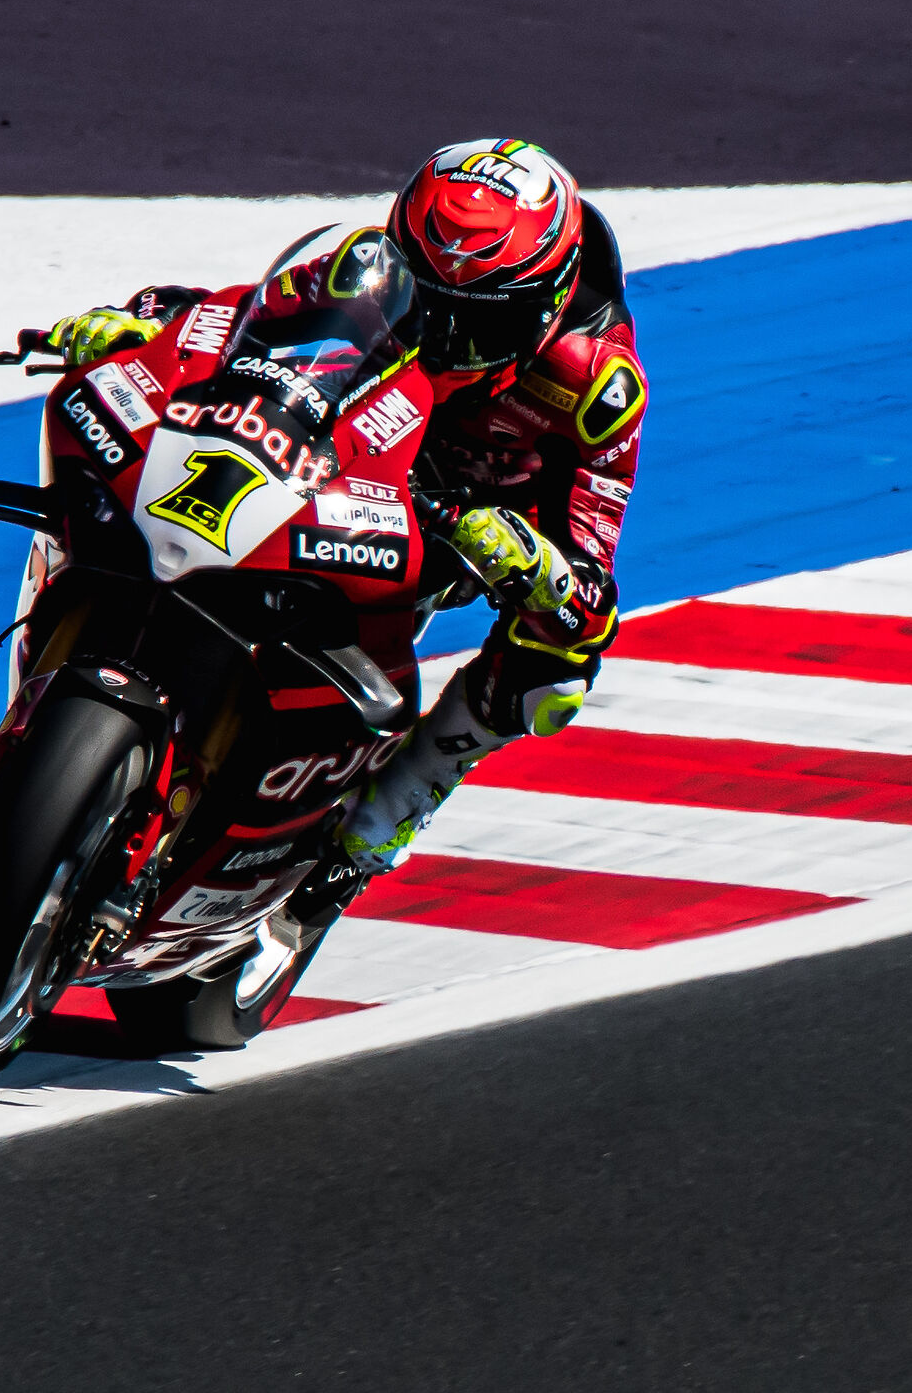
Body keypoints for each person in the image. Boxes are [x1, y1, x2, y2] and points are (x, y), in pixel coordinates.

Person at [43, 137, 644, 877]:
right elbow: (241, 316)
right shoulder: (366, 269)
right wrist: (143, 322)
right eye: (428, 302)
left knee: (558, 674)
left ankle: (405, 798)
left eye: (478, 324)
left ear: (544, 306)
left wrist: (534, 562)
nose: (446, 342)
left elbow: (590, 580)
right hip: (329, 463)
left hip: (457, 531)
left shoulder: (594, 387)